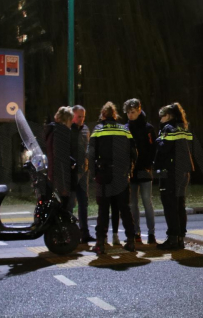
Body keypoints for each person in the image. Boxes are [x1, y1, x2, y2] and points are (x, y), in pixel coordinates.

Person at [87, 102, 137, 254]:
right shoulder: (125, 130)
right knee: (124, 209)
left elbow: (90, 154)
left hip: (104, 175)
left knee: (103, 210)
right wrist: (129, 169)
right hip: (121, 175)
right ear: (115, 115)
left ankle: (100, 243)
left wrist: (94, 173)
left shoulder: (98, 130)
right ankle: (130, 241)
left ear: (102, 115)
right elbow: (134, 153)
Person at [153, 103, 194, 250]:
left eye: (162, 116)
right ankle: (180, 239)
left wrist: (158, 140)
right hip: (184, 171)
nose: (161, 119)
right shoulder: (182, 128)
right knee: (179, 206)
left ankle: (172, 239)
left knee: (170, 206)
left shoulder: (168, 129)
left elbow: (163, 149)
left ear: (168, 116)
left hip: (170, 172)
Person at [124, 98, 157, 245]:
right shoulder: (126, 128)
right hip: (131, 170)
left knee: (146, 202)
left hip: (144, 169)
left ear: (139, 110)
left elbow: (152, 149)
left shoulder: (148, 128)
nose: (130, 115)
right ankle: (136, 232)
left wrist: (148, 165)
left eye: (132, 112)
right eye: (128, 113)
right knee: (133, 204)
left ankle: (151, 233)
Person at [69, 105, 93, 243]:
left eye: (83, 116)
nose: (81, 119)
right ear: (72, 116)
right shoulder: (67, 129)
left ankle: (84, 233)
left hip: (84, 172)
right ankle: (71, 233)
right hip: (72, 172)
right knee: (71, 204)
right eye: (79, 116)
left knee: (84, 203)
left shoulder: (85, 129)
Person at [42, 106, 74, 208]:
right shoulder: (62, 132)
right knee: (63, 205)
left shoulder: (50, 131)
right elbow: (61, 157)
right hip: (60, 177)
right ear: (67, 120)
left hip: (49, 173)